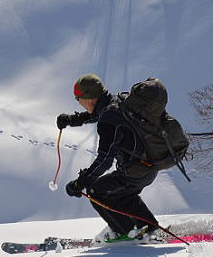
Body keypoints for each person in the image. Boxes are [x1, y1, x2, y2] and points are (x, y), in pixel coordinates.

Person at [56, 74, 161, 243]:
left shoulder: (108, 120)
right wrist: (71, 120)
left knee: (96, 191)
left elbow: (105, 159)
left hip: (136, 170)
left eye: (78, 99)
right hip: (149, 166)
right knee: (123, 193)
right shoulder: (117, 101)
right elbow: (98, 113)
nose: (78, 102)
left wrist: (81, 182)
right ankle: (148, 227)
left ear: (89, 99)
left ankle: (125, 234)